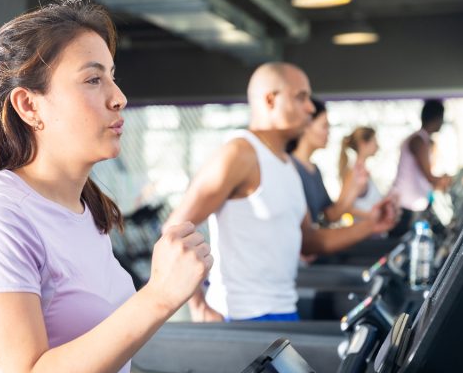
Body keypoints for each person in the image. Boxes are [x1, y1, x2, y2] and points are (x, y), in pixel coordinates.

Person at [0, 0, 212, 373]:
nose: (118, 96)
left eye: (112, 74)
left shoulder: (85, 210)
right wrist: (160, 295)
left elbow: (71, 340)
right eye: (92, 79)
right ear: (29, 105)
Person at [164, 62, 397, 322]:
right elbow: (175, 228)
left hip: (285, 310)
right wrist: (198, 306)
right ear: (270, 100)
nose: (310, 107)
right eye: (301, 97)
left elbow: (310, 240)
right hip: (241, 315)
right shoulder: (240, 153)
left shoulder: (288, 165)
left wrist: (372, 225)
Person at [288, 99, 368, 225]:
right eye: (324, 126)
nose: (329, 131)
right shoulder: (289, 167)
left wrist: (356, 187)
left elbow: (331, 215)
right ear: (306, 126)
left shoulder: (314, 170)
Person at [390, 99, 452, 235]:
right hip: (406, 206)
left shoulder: (424, 140)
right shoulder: (418, 140)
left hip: (413, 204)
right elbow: (429, 176)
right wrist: (449, 179)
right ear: (437, 118)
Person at [338, 126, 383, 220]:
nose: (378, 146)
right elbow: (343, 207)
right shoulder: (354, 173)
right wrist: (371, 215)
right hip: (363, 230)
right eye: (374, 141)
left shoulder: (362, 171)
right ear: (363, 144)